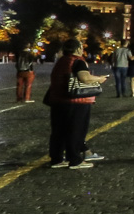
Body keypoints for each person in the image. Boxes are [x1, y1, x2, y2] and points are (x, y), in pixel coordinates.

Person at [45, 39, 105, 170]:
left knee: (58, 132)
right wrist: (99, 79)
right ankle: (75, 160)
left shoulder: (61, 61)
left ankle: (56, 159)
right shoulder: (77, 61)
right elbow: (85, 78)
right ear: (78, 49)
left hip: (57, 101)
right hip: (76, 101)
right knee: (76, 130)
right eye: (82, 47)